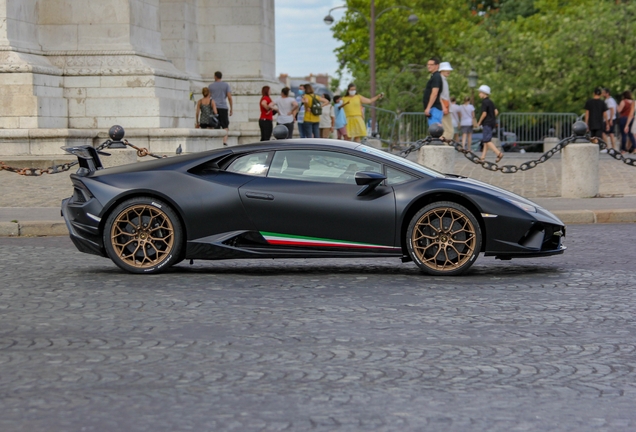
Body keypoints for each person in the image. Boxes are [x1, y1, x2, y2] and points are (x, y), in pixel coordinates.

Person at [476, 85, 503, 163]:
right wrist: (491, 117)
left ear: (484, 93)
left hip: (487, 123)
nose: (479, 94)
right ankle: (482, 157)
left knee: (487, 140)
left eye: (480, 93)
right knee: (485, 141)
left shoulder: (484, 102)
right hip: (492, 122)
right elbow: (496, 112)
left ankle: (498, 153)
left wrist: (479, 122)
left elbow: (484, 114)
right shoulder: (491, 102)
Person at [208, 71, 233, 146]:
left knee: (216, 124)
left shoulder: (211, 86)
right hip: (223, 107)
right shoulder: (226, 85)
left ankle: (216, 141)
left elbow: (209, 97)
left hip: (214, 107)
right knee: (225, 125)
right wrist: (231, 108)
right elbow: (229, 97)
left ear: (215, 76)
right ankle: (224, 141)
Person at [422, 57, 443, 127]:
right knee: (434, 132)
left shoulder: (436, 77)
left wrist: (428, 108)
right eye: (428, 64)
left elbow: (434, 93)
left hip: (434, 109)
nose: (429, 66)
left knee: (435, 131)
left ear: (437, 66)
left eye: (431, 64)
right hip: (433, 109)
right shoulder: (434, 76)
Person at [438, 61, 454, 140]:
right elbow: (439, 96)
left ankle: (442, 144)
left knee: (447, 130)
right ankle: (444, 146)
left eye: (448, 69)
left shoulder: (444, 80)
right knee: (449, 130)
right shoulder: (440, 80)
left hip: (446, 106)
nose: (448, 71)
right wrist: (444, 107)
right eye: (446, 69)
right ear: (441, 70)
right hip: (444, 106)